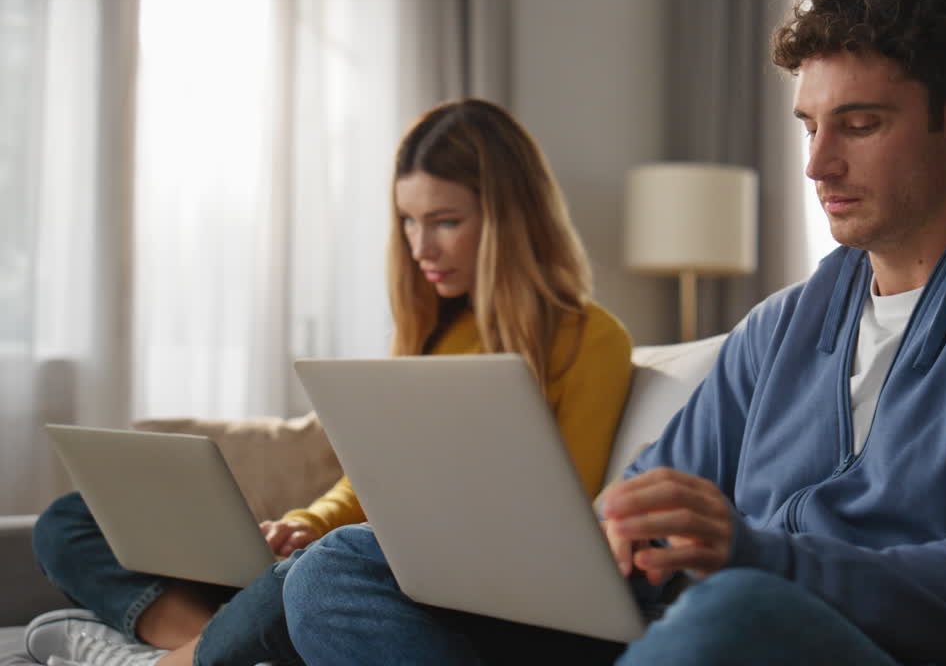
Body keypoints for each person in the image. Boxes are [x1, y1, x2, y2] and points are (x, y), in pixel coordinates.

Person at [282, 0, 946, 666]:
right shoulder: (781, 327)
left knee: (739, 609)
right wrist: (586, 544)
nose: (817, 164)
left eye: (857, 124)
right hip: (685, 623)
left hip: (844, 639)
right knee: (343, 566)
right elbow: (649, 506)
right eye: (808, 125)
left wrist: (762, 559)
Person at [25, 98, 634, 666]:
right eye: (408, 221)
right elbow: (369, 479)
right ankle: (209, 640)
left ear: (511, 219)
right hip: (368, 562)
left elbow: (565, 521)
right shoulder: (435, 331)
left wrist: (342, 544)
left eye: (445, 221)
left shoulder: (591, 340)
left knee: (321, 573)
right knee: (72, 519)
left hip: (468, 591)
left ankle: (174, 660)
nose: (421, 246)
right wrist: (310, 521)